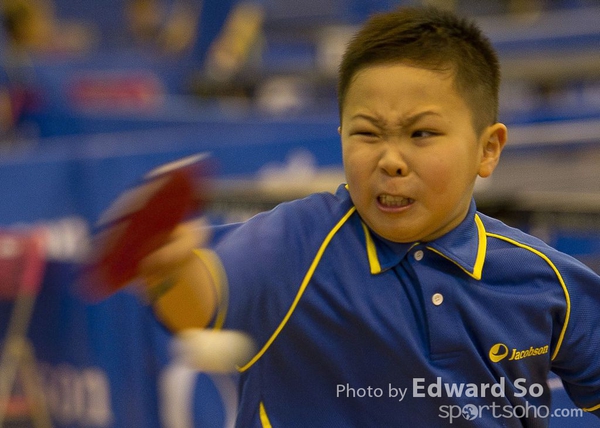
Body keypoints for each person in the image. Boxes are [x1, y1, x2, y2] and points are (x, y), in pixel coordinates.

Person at [138, 6, 600, 427]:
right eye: (367, 133)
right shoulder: (295, 244)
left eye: (421, 133)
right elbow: (202, 298)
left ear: (488, 148)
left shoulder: (544, 282)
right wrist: (170, 270)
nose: (391, 160)